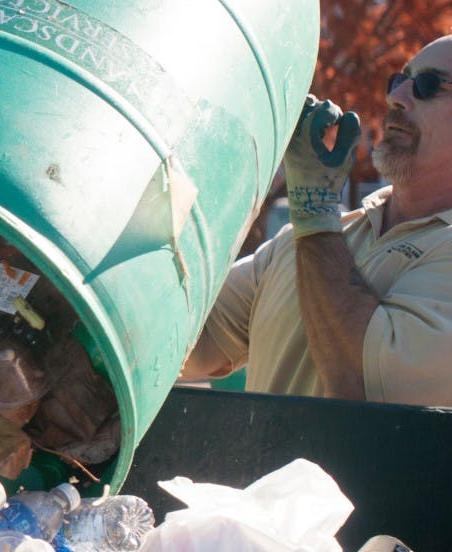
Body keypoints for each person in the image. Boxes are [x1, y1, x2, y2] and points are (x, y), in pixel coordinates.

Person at [181, 34, 452, 406]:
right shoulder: (301, 241)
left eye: (426, 85)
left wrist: (315, 211)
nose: (396, 98)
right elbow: (180, 338)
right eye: (398, 81)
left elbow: (361, 383)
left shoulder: (316, 231)